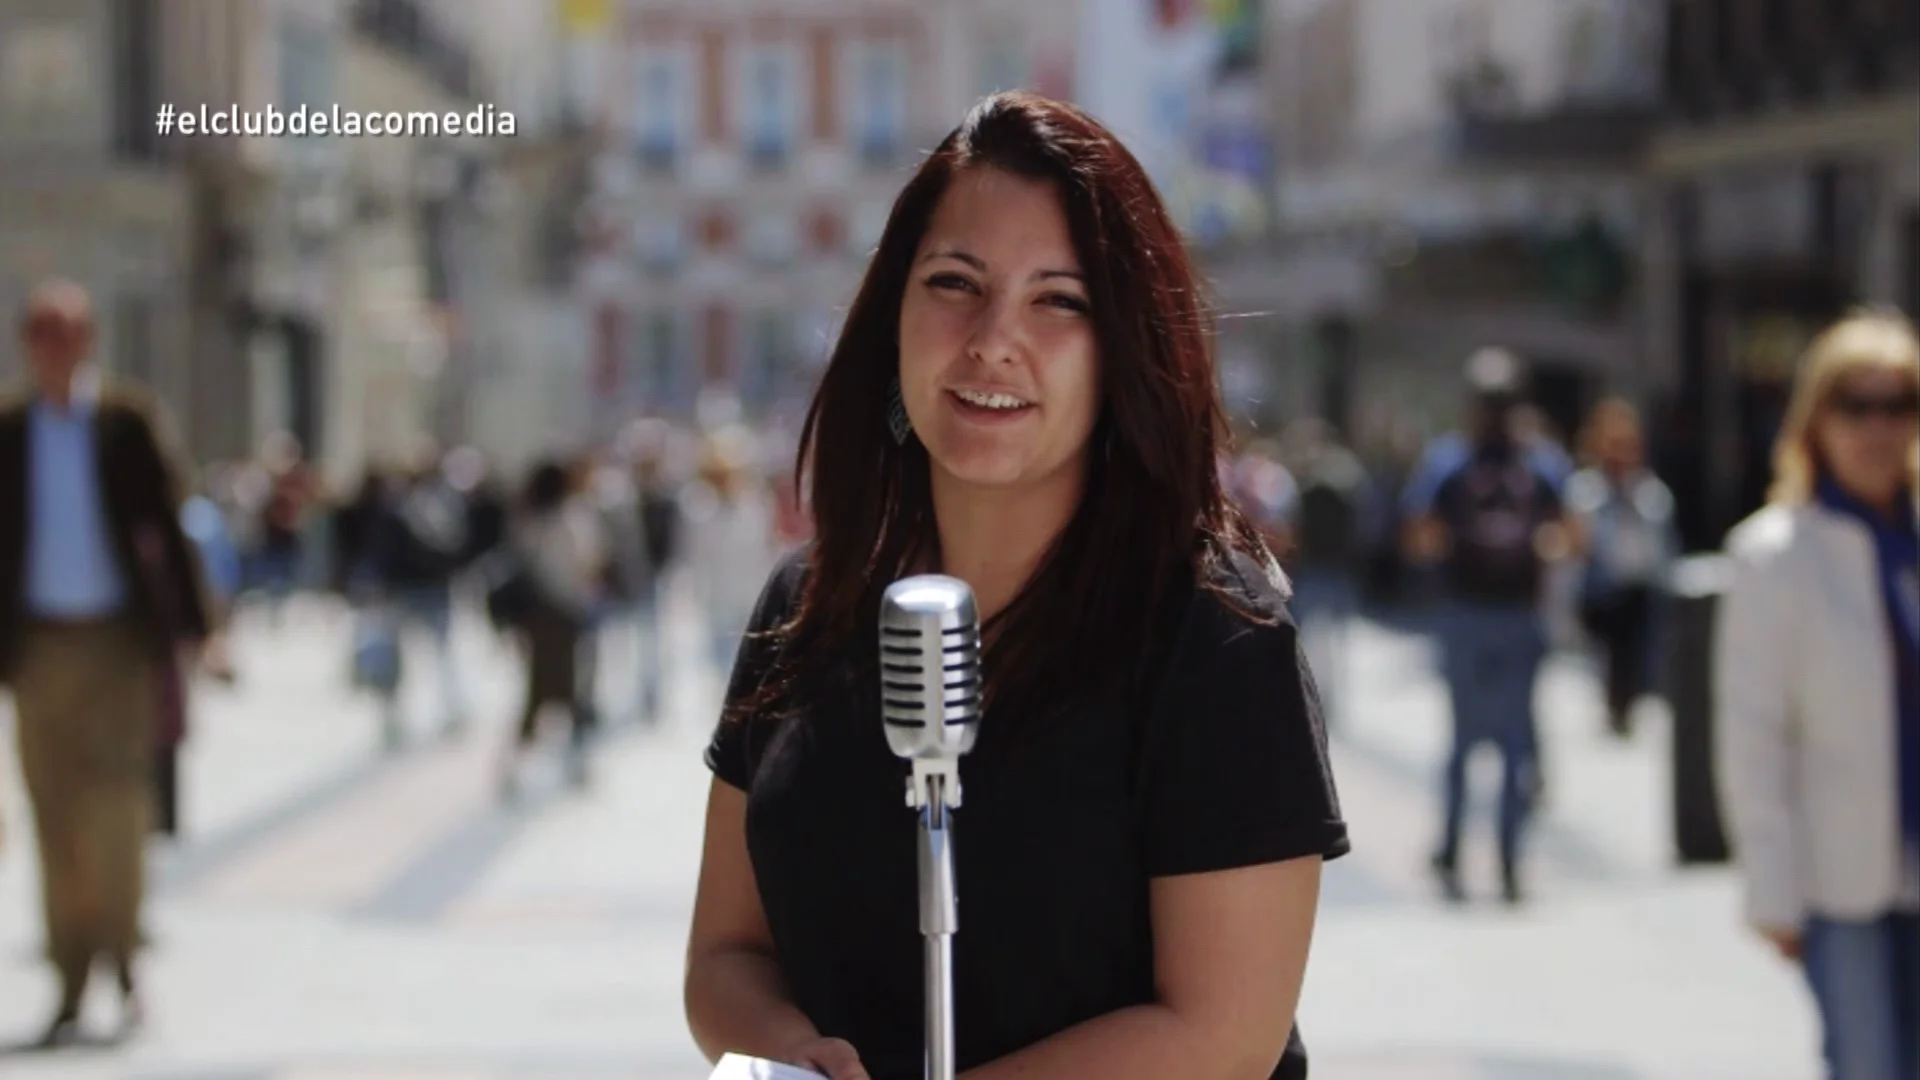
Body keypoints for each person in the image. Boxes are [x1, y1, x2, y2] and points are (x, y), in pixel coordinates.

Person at [684, 93, 1347, 1080]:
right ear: (891, 313)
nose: (994, 339)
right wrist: (793, 1056)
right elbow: (724, 960)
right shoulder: (805, 607)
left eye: (1060, 301)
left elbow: (1222, 1036)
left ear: (1126, 349)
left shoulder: (1213, 635)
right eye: (955, 282)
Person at [0, 280, 219, 1046]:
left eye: (67, 335)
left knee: (117, 806)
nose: (54, 351)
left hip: (117, 644)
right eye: (41, 336)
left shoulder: (126, 422)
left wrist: (200, 630)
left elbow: (167, 524)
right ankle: (68, 974)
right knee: (53, 814)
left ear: (88, 343)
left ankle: (123, 956)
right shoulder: (10, 428)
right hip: (36, 650)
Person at [1715, 311, 1919, 1080]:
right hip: (1843, 878)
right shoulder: (1775, 555)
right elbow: (1754, 736)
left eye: (1897, 404)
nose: (1878, 427)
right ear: (1816, 419)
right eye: (1855, 406)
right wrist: (1773, 891)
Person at [1402, 346, 1575, 905]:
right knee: (1514, 745)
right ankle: (1507, 857)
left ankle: (1454, 848)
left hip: (1467, 613)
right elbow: (1572, 535)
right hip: (1516, 615)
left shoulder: (1450, 460)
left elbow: (1418, 533)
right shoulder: (1540, 463)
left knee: (1462, 742)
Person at [1566, 398, 1677, 737]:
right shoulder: (1585, 490)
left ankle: (1626, 705)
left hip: (1639, 590)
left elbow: (1663, 546)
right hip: (1600, 592)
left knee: (1636, 658)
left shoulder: (1649, 492)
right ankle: (1611, 705)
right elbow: (1575, 546)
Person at [500, 458, 607, 795]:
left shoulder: (527, 519)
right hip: (565, 616)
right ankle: (574, 765)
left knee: (537, 693)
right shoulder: (572, 518)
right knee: (573, 691)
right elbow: (589, 562)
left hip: (536, 619)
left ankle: (519, 768)